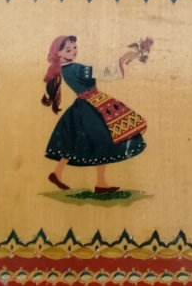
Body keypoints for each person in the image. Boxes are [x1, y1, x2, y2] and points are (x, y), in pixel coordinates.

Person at [41, 35, 147, 192]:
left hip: (84, 106)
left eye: (74, 47)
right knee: (103, 140)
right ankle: (100, 183)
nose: (74, 51)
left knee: (75, 141)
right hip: (91, 106)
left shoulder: (63, 69)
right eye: (68, 50)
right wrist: (123, 59)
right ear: (58, 53)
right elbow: (103, 72)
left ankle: (58, 173)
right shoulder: (76, 68)